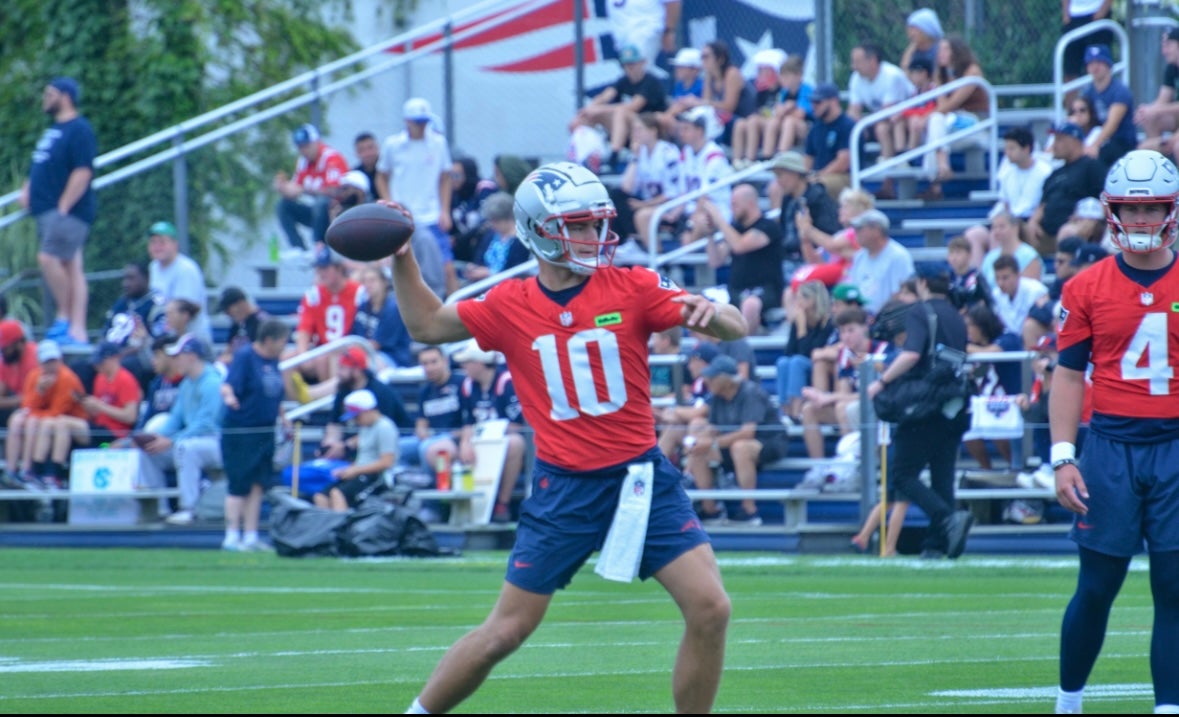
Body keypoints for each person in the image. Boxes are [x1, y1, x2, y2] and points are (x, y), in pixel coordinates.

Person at [390, 160, 745, 714]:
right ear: (536, 229)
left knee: (711, 608)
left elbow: (736, 324)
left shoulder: (633, 286)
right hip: (565, 490)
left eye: (594, 224)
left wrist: (715, 317)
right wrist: (402, 256)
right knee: (504, 633)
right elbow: (426, 325)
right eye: (576, 225)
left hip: (640, 480)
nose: (591, 236)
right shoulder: (510, 302)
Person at [1048, 149, 1179, 714]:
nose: (1144, 220)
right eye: (1133, 207)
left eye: (1153, 209)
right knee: (1097, 588)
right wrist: (1062, 456)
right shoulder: (1085, 287)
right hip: (1110, 448)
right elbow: (1068, 374)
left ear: (1171, 212)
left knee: (1174, 592)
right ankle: (1068, 701)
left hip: (1176, 447)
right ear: (1113, 210)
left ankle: (1169, 707)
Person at [866, 266, 974, 560]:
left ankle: (946, 520)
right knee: (942, 476)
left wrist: (882, 381)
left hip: (923, 404)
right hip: (954, 404)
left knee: (902, 475)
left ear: (923, 283)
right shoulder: (955, 314)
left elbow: (912, 353)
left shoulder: (919, 311)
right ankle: (938, 545)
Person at [20, 77, 96, 346]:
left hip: (65, 213)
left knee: (47, 259)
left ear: (65, 96)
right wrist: (29, 187)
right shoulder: (55, 130)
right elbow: (44, 164)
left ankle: (65, 318)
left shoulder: (79, 129)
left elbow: (83, 170)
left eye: (49, 93)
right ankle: (77, 330)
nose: (45, 98)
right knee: (72, 265)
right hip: (48, 211)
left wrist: (64, 205)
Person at [682, 354, 788, 525]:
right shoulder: (716, 397)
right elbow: (713, 427)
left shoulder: (750, 392)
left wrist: (712, 443)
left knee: (740, 447)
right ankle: (711, 511)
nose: (707, 380)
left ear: (726, 380)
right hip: (731, 444)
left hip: (769, 443)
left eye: (712, 377)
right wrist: (696, 441)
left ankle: (749, 510)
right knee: (700, 449)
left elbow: (748, 432)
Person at [219, 318, 291, 551]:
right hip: (242, 431)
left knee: (258, 484)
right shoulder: (245, 357)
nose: (284, 345)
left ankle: (250, 535)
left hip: (265, 431)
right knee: (239, 483)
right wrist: (229, 397)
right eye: (282, 341)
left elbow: (274, 393)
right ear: (269, 340)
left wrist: (283, 417)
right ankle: (231, 535)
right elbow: (228, 385)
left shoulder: (273, 360)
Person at [138, 334, 224, 526]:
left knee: (186, 448)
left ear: (192, 357)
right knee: (150, 450)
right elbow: (176, 419)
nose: (175, 360)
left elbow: (206, 424)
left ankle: (189, 508)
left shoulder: (211, 382)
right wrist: (158, 438)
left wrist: (171, 440)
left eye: (178, 356)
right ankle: (159, 508)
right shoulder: (187, 383)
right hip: (195, 439)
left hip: (218, 441)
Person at [375, 98, 456, 296]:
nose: (421, 126)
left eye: (424, 122)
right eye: (417, 122)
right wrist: (390, 205)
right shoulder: (393, 145)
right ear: (407, 122)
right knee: (403, 268)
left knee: (447, 269)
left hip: (431, 216)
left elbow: (445, 177)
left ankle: (454, 312)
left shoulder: (438, 143)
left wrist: (444, 210)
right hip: (403, 216)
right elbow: (381, 176)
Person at [453, 339, 528, 524]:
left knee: (515, 443)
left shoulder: (507, 382)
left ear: (479, 363)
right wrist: (464, 443)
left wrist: (488, 429)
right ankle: (465, 507)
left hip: (501, 440)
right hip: (479, 441)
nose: (463, 366)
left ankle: (502, 502)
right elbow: (467, 423)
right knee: (449, 449)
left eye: (467, 362)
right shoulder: (467, 386)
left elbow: (518, 424)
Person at [697, 183, 785, 335]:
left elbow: (739, 245)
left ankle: (743, 349)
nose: (732, 209)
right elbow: (715, 261)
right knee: (701, 301)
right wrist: (710, 234)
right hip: (736, 290)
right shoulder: (735, 229)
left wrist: (718, 217)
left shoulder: (768, 227)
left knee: (750, 304)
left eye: (735, 204)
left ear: (750, 203)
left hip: (765, 290)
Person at [798, 305, 884, 460]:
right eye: (842, 332)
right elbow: (845, 393)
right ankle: (818, 467)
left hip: (879, 409)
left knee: (842, 407)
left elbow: (875, 393)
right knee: (809, 409)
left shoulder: (881, 350)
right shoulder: (845, 353)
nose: (846, 336)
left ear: (865, 328)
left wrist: (829, 397)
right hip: (855, 406)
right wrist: (821, 397)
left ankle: (848, 462)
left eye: (851, 330)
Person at [570, 44, 668, 173]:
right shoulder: (623, 81)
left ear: (642, 63)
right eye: (626, 64)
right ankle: (586, 158)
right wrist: (589, 109)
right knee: (586, 118)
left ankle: (614, 156)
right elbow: (606, 95)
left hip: (649, 125)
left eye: (633, 63)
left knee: (620, 111)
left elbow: (634, 106)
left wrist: (599, 109)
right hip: (627, 128)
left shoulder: (650, 81)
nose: (629, 68)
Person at [963, 127, 1053, 264]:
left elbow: (1045, 203)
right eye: (1006, 149)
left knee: (999, 232)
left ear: (1026, 149)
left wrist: (1031, 221)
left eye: (1012, 148)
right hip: (1012, 218)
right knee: (974, 234)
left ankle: (998, 274)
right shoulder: (1006, 173)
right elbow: (1006, 204)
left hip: (1032, 220)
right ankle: (977, 280)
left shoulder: (1045, 172)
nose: (1007, 153)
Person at [3, 340, 86, 489]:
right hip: (45, 417)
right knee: (17, 419)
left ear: (59, 360)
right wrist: (39, 391)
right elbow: (26, 407)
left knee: (37, 421)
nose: (50, 366)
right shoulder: (34, 376)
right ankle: (12, 470)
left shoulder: (67, 378)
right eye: (46, 362)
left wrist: (34, 413)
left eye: (53, 361)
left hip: (71, 421)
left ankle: (32, 469)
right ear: (40, 363)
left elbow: (57, 411)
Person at [919, 35, 989, 199]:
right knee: (936, 124)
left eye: (945, 49)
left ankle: (935, 184)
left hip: (975, 124)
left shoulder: (972, 71)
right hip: (952, 126)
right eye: (939, 50)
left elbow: (953, 103)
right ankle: (942, 169)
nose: (940, 53)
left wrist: (927, 117)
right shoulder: (942, 74)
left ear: (957, 51)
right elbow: (943, 106)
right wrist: (938, 82)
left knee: (935, 122)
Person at [318, 345, 413, 461]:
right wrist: (329, 446)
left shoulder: (381, 392)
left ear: (357, 370)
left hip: (390, 445)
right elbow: (334, 424)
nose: (338, 373)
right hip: (356, 446)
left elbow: (380, 431)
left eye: (343, 368)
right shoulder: (344, 390)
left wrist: (345, 446)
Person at [1026, 122, 1108, 256]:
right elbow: (1043, 204)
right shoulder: (1054, 174)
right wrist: (1033, 222)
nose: (1054, 145)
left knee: (1067, 232)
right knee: (1006, 228)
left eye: (1059, 140)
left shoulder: (1091, 166)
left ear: (1074, 141)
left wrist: (1090, 217)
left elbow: (1105, 197)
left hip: (1077, 228)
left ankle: (1065, 273)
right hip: (1045, 233)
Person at [313, 388, 398, 512]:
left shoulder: (385, 427)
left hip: (377, 477)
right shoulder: (365, 428)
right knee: (321, 496)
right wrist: (348, 470)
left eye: (357, 417)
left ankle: (342, 529)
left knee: (338, 494)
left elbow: (387, 462)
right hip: (360, 473)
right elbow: (364, 457)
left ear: (368, 411)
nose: (355, 421)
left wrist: (356, 470)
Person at [272, 123, 349, 258]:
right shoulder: (303, 162)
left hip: (336, 214)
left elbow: (335, 191)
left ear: (316, 142)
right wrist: (284, 188)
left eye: (306, 145)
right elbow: (296, 190)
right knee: (283, 205)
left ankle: (318, 246)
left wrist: (304, 190)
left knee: (321, 202)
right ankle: (298, 248)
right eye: (300, 147)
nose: (303, 150)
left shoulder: (331, 158)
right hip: (316, 214)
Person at [291, 247, 364, 389]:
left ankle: (326, 404)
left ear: (338, 269)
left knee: (326, 358)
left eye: (325, 268)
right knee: (287, 360)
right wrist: (303, 355)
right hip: (322, 347)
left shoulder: (358, 292)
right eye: (318, 269)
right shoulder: (314, 294)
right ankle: (292, 404)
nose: (320, 273)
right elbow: (304, 329)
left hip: (348, 347)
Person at [768, 150, 841, 285]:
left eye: (780, 175)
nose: (778, 181)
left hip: (812, 260)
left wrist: (807, 232)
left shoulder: (819, 198)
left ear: (795, 173)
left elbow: (829, 233)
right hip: (788, 259)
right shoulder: (787, 200)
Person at [619, 112, 683, 254]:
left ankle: (659, 259)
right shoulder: (640, 153)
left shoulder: (668, 152)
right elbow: (626, 188)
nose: (635, 134)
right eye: (634, 130)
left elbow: (672, 193)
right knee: (616, 198)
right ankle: (632, 243)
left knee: (641, 215)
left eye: (639, 129)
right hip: (651, 202)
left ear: (653, 131)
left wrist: (643, 205)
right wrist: (635, 158)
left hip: (672, 205)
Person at [400, 344, 463, 487]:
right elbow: (421, 422)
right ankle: (407, 488)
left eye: (434, 362)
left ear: (445, 361)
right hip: (432, 436)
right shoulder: (425, 391)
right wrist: (422, 432)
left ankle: (431, 496)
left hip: (454, 437)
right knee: (398, 448)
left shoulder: (461, 383)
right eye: (425, 363)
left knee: (427, 447)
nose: (429, 367)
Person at [847, 42, 915, 171]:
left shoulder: (892, 76)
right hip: (882, 120)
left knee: (882, 129)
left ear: (872, 61)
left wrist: (863, 123)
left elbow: (887, 111)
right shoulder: (856, 78)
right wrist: (858, 124)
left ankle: (896, 167)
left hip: (907, 119)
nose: (853, 67)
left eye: (857, 62)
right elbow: (853, 111)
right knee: (857, 129)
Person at [776, 280, 836, 424]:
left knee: (797, 361)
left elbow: (811, 352)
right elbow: (789, 351)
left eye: (801, 298)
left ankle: (797, 411)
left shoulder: (827, 323)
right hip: (801, 361)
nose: (797, 302)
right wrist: (799, 325)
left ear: (813, 300)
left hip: (818, 365)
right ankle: (786, 410)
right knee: (783, 362)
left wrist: (802, 330)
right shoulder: (799, 321)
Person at [676, 105, 733, 245]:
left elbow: (705, 197)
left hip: (715, 210)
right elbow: (684, 191)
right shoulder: (686, 152)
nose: (681, 133)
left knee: (698, 224)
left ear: (700, 131)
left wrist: (689, 224)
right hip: (691, 209)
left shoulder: (714, 155)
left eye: (687, 129)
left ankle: (683, 262)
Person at [147, 220, 212, 342]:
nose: (157, 247)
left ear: (175, 244)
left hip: (192, 339)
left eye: (162, 242)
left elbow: (187, 311)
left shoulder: (186, 269)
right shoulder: (153, 267)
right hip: (164, 336)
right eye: (153, 242)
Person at [844, 209, 916, 314]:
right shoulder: (859, 257)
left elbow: (900, 294)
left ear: (876, 230)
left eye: (859, 228)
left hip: (889, 319)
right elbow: (855, 290)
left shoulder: (898, 256)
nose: (855, 233)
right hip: (861, 319)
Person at [1079, 44, 1136, 167]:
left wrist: (1094, 145)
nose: (1095, 67)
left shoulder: (1120, 91)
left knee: (1093, 159)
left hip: (1121, 143)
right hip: (1099, 140)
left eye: (1099, 62)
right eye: (1091, 63)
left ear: (1108, 64)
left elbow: (1112, 124)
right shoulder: (1087, 92)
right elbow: (1079, 118)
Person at [350, 264, 412, 370]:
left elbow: (376, 344)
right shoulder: (363, 307)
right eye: (365, 281)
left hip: (392, 357)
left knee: (361, 364)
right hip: (365, 353)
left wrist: (352, 352)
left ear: (384, 283)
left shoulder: (393, 308)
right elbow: (353, 336)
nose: (368, 285)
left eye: (372, 280)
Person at [462, 192, 532, 283]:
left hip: (506, 287)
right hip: (482, 284)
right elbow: (479, 258)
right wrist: (474, 268)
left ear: (508, 218)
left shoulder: (521, 241)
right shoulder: (490, 235)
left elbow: (518, 272)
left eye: (496, 221)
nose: (492, 225)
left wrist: (489, 273)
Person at [804, 82, 855, 200]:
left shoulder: (848, 126)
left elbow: (843, 162)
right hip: (820, 175)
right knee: (784, 186)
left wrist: (817, 176)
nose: (813, 106)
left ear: (834, 101)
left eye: (818, 102)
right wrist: (802, 177)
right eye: (812, 102)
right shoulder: (815, 128)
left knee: (817, 186)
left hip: (844, 177)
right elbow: (808, 158)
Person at [700, 39, 755, 146]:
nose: (703, 60)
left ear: (720, 59)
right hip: (728, 118)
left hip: (744, 117)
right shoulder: (710, 76)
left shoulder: (731, 73)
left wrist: (700, 103)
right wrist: (707, 77)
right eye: (701, 57)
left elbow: (729, 106)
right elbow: (706, 103)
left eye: (706, 57)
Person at [1136, 27, 1179, 154]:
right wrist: (1145, 111)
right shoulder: (1171, 68)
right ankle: (1157, 162)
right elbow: (1162, 100)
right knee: (1150, 117)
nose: (1164, 51)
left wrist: (1155, 110)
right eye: (1163, 46)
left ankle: (1166, 145)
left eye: (1168, 45)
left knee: (1177, 147)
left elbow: (1160, 108)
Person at [448, 154, 498, 263]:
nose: (453, 180)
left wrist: (458, 239)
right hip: (463, 247)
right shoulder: (454, 194)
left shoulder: (485, 189)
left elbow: (486, 222)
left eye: (457, 176)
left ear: (468, 174)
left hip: (483, 243)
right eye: (450, 176)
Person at [979, 206, 1044, 288]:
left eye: (1001, 227)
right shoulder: (990, 257)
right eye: (994, 227)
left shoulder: (1029, 256)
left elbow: (1031, 290)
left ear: (1015, 228)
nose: (997, 231)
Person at [604, 0, 679, 70]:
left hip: (646, 29)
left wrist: (669, 30)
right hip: (622, 36)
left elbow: (673, 2)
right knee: (632, 75)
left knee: (637, 70)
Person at [214, 286, 271, 368]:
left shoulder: (261, 322)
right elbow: (228, 349)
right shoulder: (236, 323)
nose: (227, 314)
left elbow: (261, 353)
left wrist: (232, 359)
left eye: (228, 310)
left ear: (240, 303)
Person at [1061, 0, 1114, 87]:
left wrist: (1101, 12)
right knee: (1070, 70)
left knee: (1099, 66)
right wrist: (1066, 14)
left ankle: (1101, 98)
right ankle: (1071, 100)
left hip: (1097, 16)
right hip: (1073, 18)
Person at [0, 320, 38, 427]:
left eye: (5, 347)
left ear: (19, 343)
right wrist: (18, 400)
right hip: (20, 407)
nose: (2, 351)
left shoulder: (36, 357)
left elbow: (37, 397)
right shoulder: (6, 361)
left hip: (42, 409)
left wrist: (24, 399)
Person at [900, 8, 943, 73]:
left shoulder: (939, 49)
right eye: (910, 28)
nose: (911, 33)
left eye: (915, 29)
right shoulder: (912, 52)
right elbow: (904, 72)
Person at [352, 131, 380, 201]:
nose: (367, 153)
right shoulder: (355, 174)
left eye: (370, 148)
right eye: (362, 150)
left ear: (377, 148)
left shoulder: (388, 170)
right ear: (356, 153)